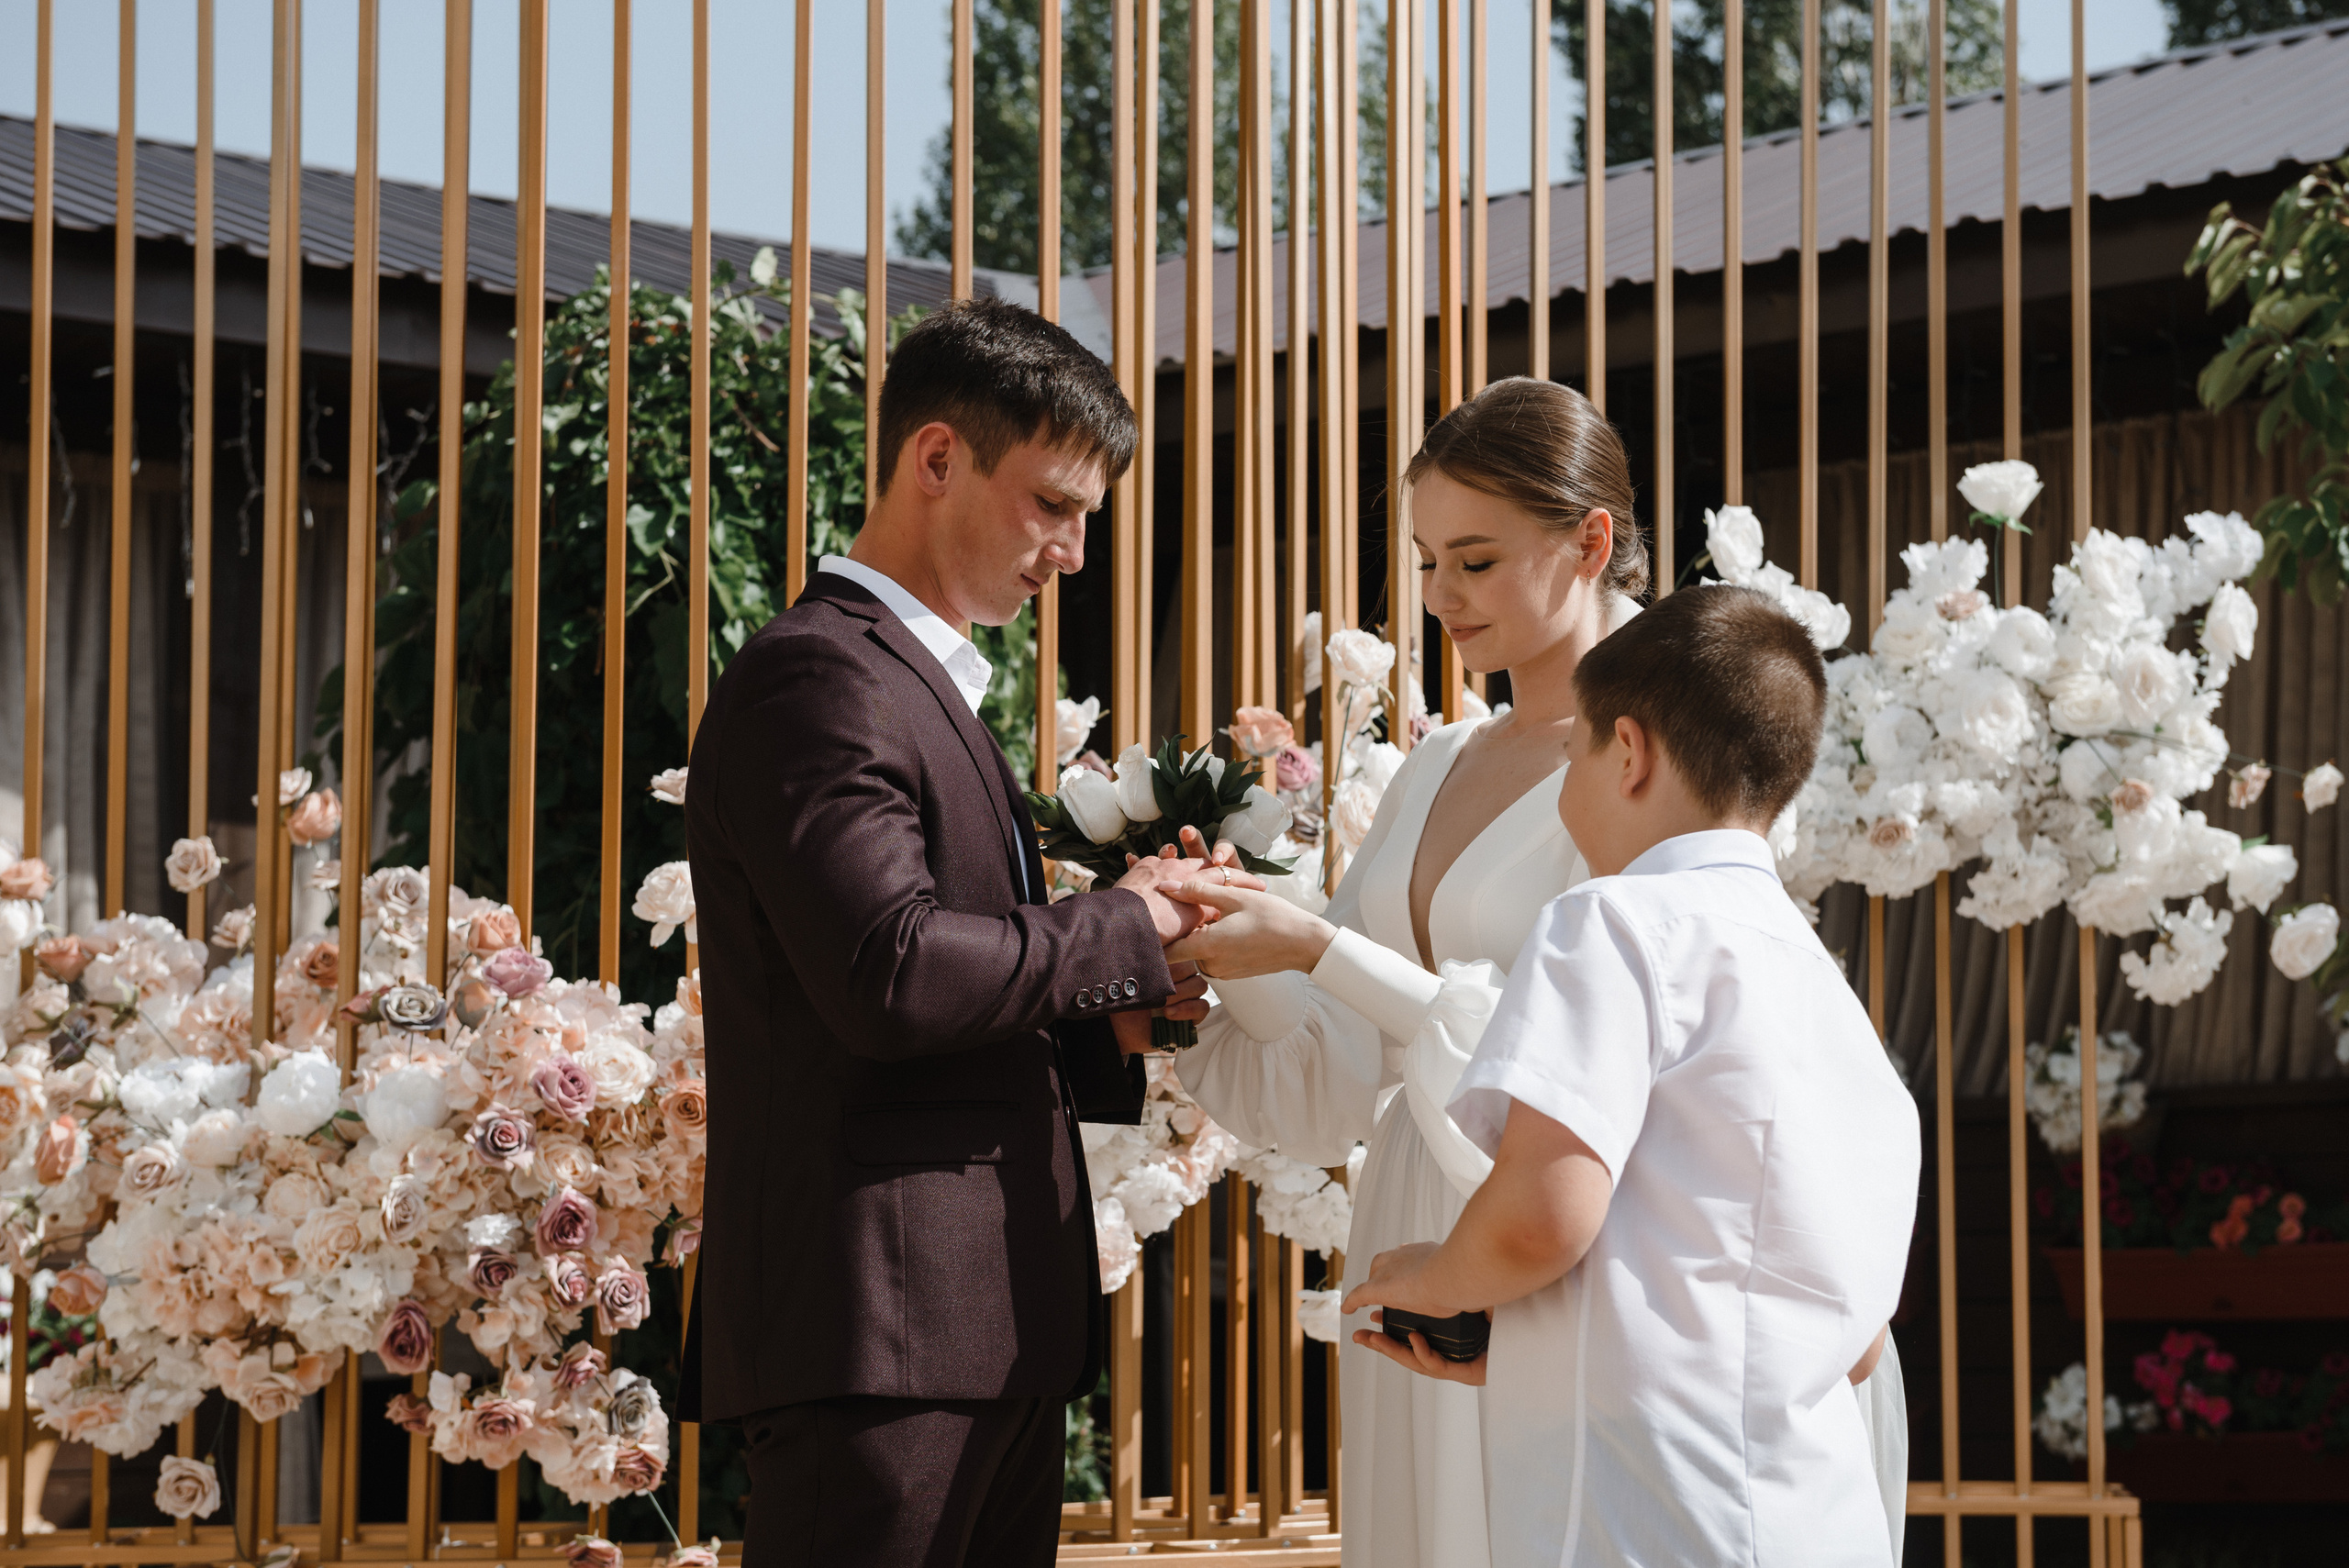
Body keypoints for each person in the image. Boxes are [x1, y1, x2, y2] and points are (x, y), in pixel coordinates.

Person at [681, 298, 1229, 1568]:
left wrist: (1125, 999)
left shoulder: (919, 685)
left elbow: (945, 989)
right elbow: (889, 972)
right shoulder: (820, 677)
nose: (1074, 551)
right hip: (882, 1339)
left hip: (971, 1331)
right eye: (1054, 504)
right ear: (937, 460)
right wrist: (1118, 922)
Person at [1163, 378, 1646, 1568]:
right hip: (1412, 1237)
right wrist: (1225, 941)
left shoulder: (1660, 759)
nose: (1438, 597)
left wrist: (1317, 942)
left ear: (1591, 540)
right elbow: (1337, 1063)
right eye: (1428, 559)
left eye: (1474, 560)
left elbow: (1604, 1054)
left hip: (1570, 1244)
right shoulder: (1434, 763)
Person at [1341, 585, 1921, 1568]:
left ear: (1629, 751)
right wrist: (1530, 1351)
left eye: (1569, 758)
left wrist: (1433, 1277)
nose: (1564, 787)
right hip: (1815, 1514)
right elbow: (1849, 1338)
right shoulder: (1835, 1005)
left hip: (1642, 1515)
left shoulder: (1612, 921)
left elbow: (1542, 1213)